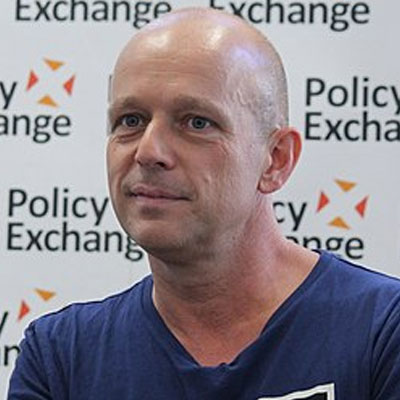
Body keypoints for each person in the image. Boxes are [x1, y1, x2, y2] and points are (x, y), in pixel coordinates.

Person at [8, 7, 400, 400]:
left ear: (276, 159)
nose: (149, 152)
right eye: (131, 120)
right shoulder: (60, 358)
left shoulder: (382, 330)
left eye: (196, 122)